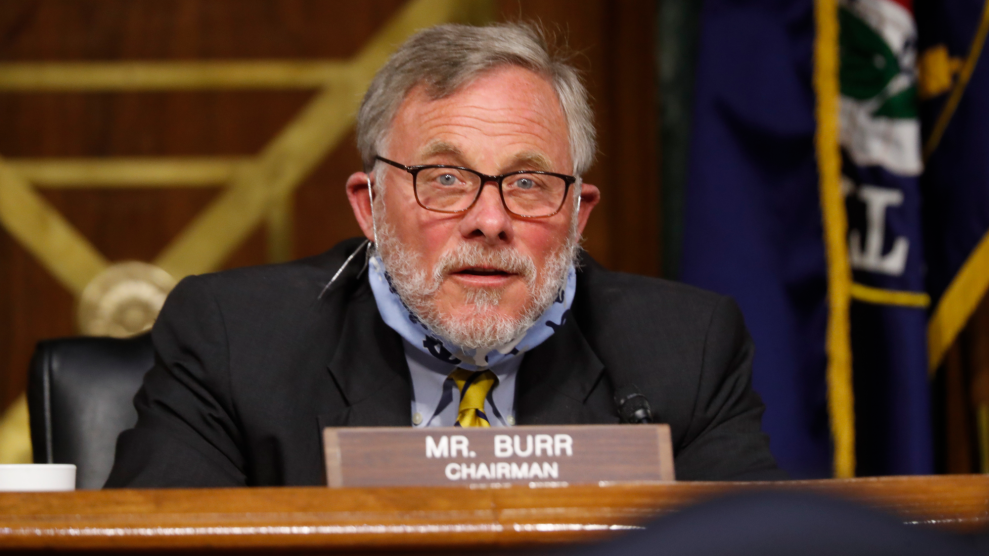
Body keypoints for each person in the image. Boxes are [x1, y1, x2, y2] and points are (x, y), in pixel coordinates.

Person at [105, 22, 782, 488]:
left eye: (527, 183)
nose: (489, 221)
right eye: (446, 180)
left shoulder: (685, 348)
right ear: (368, 206)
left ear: (577, 213)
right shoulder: (235, 338)